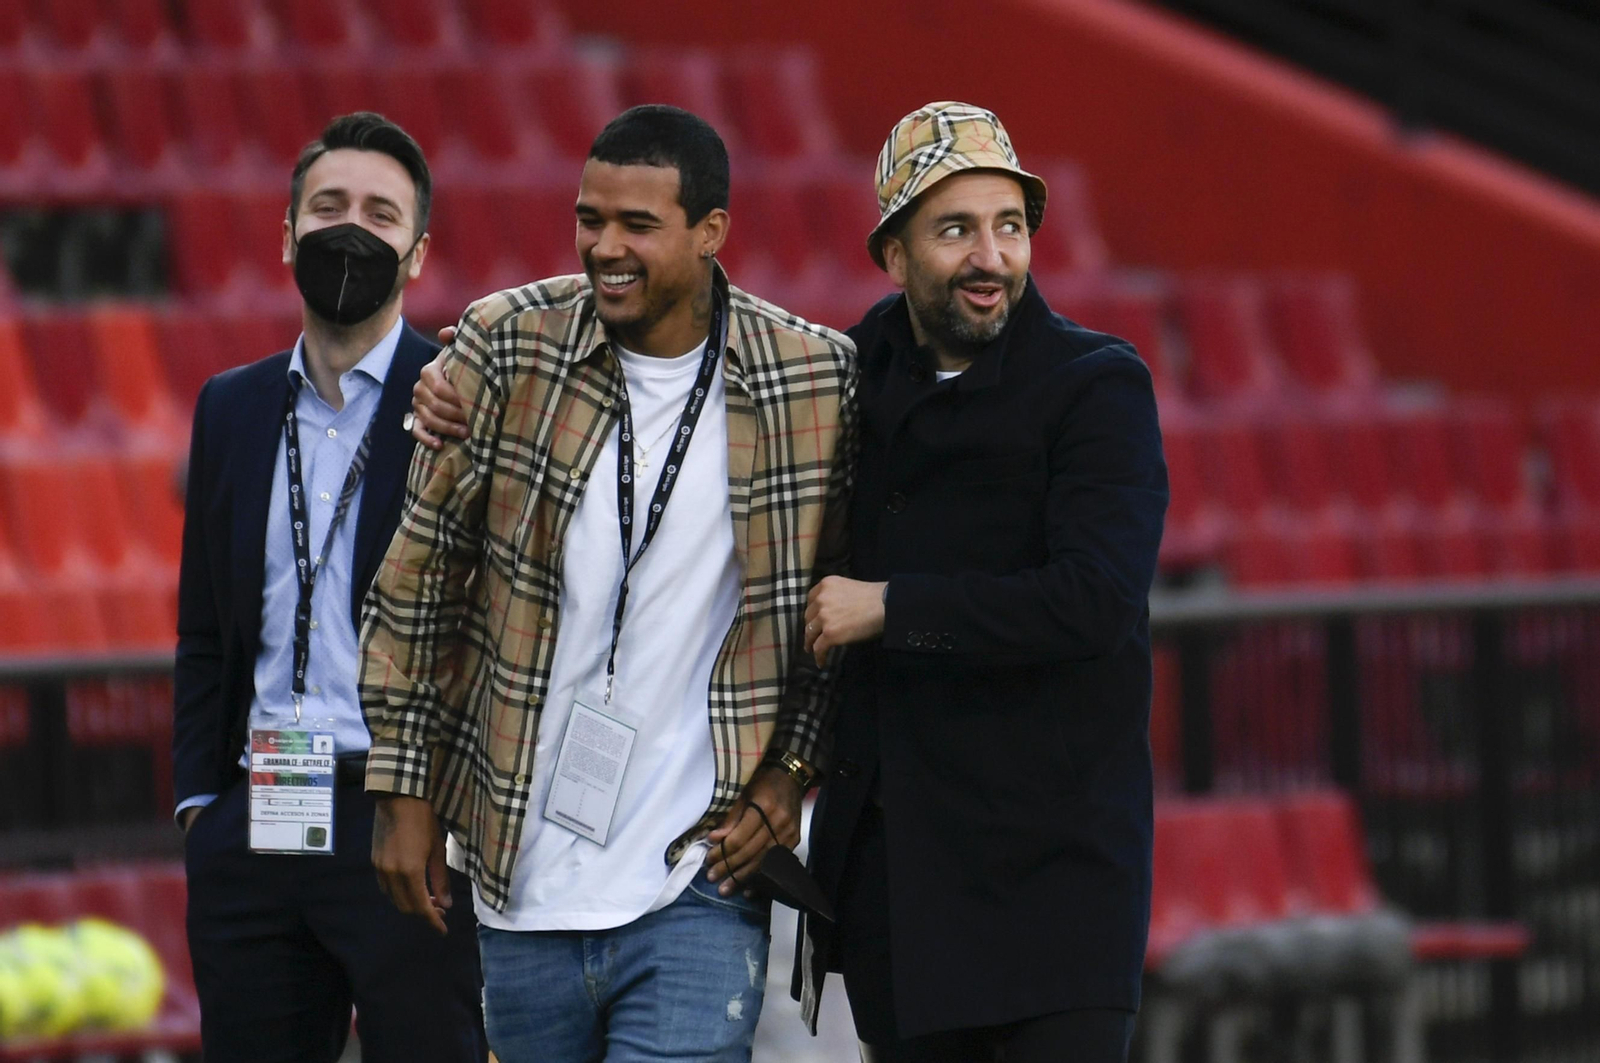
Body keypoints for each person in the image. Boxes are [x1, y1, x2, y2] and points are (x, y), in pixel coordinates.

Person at [404, 100, 1165, 1063]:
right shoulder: (853, 373)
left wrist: (889, 608)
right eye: (955, 229)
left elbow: (1096, 598)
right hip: (906, 896)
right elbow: (670, 312)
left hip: (1055, 894)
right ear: (892, 254)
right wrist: (454, 382)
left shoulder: (1095, 384)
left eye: (1010, 226)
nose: (990, 257)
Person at [357, 104, 855, 1063]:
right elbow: (417, 585)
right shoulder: (507, 347)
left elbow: (826, 616)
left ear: (712, 234)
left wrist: (792, 771)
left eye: (638, 225)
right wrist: (403, 787)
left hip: (697, 876)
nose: (605, 247)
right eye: (590, 219)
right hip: (517, 867)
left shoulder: (811, 380)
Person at [172, 113, 485, 1061]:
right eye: (329, 206)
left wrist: (448, 813)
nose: (351, 229)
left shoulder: (463, 398)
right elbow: (204, 627)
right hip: (255, 815)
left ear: (418, 251)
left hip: (405, 825)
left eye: (381, 214)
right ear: (286, 234)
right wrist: (199, 806)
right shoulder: (230, 405)